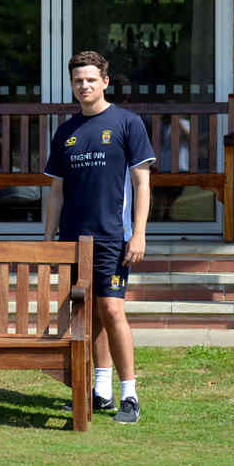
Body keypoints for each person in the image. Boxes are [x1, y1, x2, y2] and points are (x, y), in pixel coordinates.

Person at [44, 51, 155, 425]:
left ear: (105, 81)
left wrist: (138, 233)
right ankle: (101, 391)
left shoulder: (127, 123)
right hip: (74, 239)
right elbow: (56, 191)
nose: (84, 86)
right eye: (78, 80)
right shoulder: (66, 131)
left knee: (111, 310)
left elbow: (142, 182)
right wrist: (49, 238)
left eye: (91, 79)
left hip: (113, 238)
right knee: (86, 314)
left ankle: (130, 395)